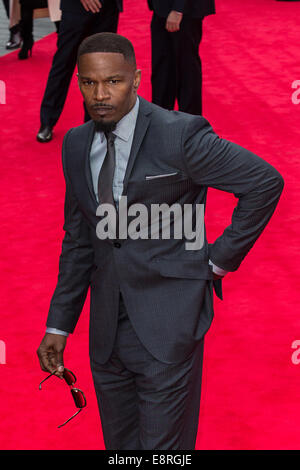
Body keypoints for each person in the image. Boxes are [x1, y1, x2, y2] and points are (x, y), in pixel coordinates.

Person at [37, 33, 284, 450]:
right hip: (106, 331)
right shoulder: (76, 144)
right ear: (78, 82)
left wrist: (216, 263)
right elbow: (79, 241)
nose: (100, 94)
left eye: (113, 82)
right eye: (89, 83)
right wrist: (59, 324)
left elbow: (263, 183)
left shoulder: (180, 135)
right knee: (121, 448)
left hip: (169, 322)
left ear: (136, 79)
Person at [36, 0, 123, 144]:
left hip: (108, 8)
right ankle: (47, 121)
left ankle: (95, 122)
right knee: (63, 63)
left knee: (101, 68)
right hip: (76, 8)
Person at [148, 0, 215, 115]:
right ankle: (161, 119)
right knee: (163, 68)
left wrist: (178, 9)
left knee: (186, 69)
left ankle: (190, 122)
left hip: (183, 11)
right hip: (164, 9)